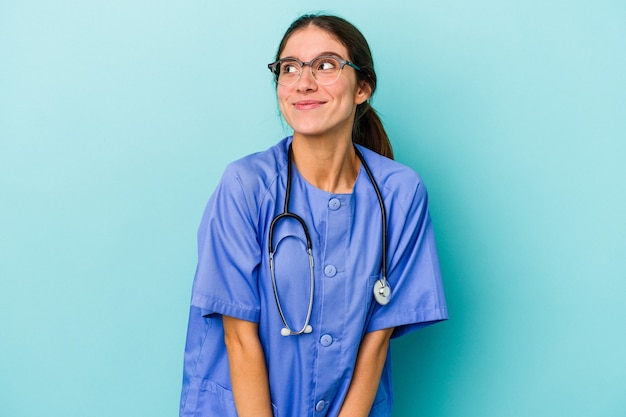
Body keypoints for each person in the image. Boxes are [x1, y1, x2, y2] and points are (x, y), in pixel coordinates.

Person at [180, 13, 448, 417]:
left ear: (362, 88)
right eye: (290, 68)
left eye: (325, 65)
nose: (304, 82)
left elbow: (378, 336)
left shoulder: (399, 193)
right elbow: (239, 338)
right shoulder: (245, 185)